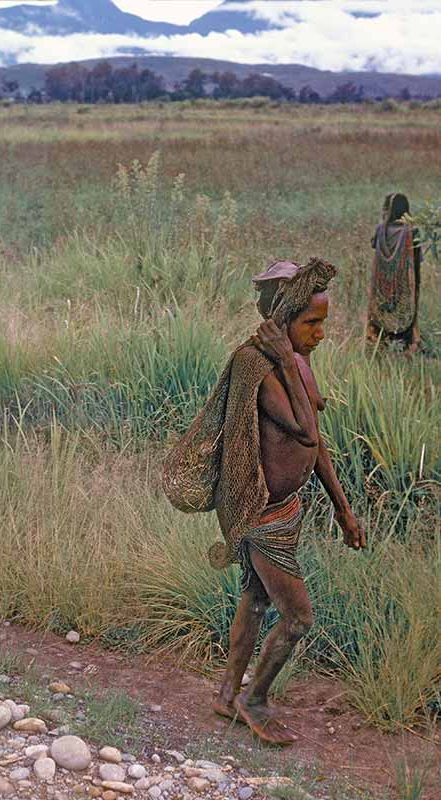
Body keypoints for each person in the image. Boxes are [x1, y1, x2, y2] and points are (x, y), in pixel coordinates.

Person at [207, 259, 367, 746]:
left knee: (256, 598)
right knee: (298, 618)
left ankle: (227, 695)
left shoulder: (295, 361)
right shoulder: (255, 365)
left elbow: (315, 445)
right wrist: (283, 360)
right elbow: (303, 428)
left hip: (284, 510)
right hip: (260, 512)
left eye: (323, 322)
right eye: (311, 323)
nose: (321, 334)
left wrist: (342, 508)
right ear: (282, 318)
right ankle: (253, 700)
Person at [366, 193, 422, 353]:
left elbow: (373, 244)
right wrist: (416, 284)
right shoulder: (412, 231)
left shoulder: (381, 230)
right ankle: (406, 348)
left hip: (381, 285)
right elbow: (417, 260)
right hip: (405, 285)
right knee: (405, 315)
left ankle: (381, 347)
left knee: (382, 318)